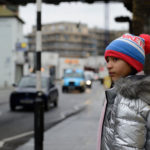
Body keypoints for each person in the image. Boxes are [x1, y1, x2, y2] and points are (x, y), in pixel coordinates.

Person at [97, 33, 150, 150]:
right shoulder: (127, 93)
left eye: (115, 59)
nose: (109, 66)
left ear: (132, 62)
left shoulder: (130, 99)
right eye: (107, 60)